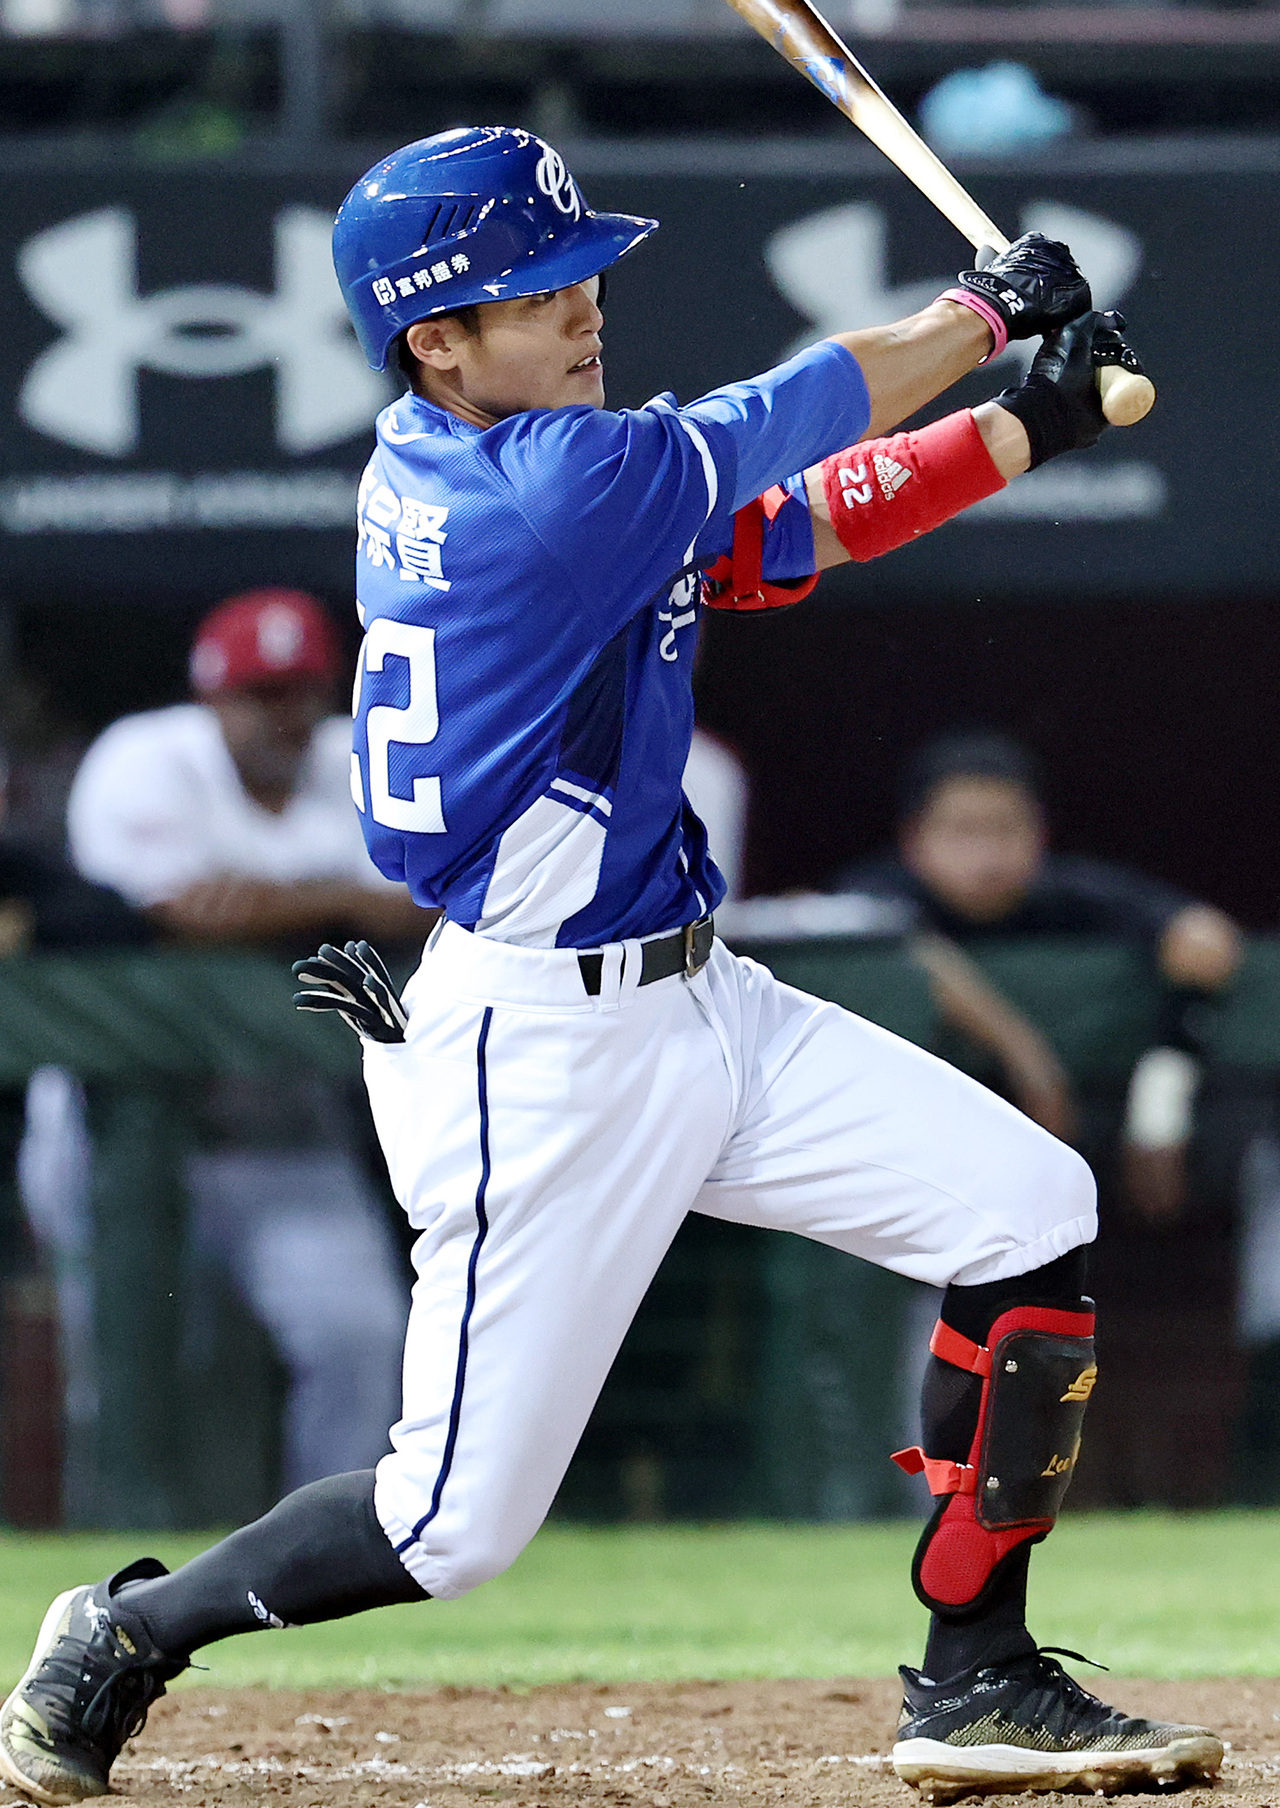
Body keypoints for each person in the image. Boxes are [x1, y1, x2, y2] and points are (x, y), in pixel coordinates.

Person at [0, 127, 1221, 1807]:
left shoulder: (521, 460)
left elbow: (780, 534)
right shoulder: (544, 490)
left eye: (583, 280)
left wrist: (1025, 424)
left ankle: (979, 1675)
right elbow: (792, 415)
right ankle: (124, 1630)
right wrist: (980, 316)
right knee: (449, 1525)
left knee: (1025, 1205)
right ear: (437, 340)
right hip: (542, 1052)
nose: (584, 312)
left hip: (703, 994)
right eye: (536, 294)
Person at [58, 588, 427, 1493]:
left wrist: (272, 903)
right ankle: (116, 1543)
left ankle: (330, 1545)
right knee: (128, 1371)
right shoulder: (146, 756)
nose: (283, 715)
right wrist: (341, 902)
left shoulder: (362, 754)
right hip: (117, 1132)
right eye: (260, 694)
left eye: (300, 691)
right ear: (211, 697)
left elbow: (428, 902)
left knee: (359, 1338)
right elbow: (171, 912)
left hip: (281, 1126)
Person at [829, 731, 1242, 1199]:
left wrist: (1158, 1112)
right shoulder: (872, 894)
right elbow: (911, 954)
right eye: (964, 830)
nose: (988, 855)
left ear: (1040, 833)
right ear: (913, 839)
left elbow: (1204, 939)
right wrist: (1028, 1060)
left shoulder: (1068, 893)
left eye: (1007, 828)